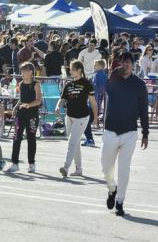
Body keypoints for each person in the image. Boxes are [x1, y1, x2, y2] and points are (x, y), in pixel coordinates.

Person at [102, 52, 149, 217]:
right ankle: (111, 188)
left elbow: (143, 110)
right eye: (123, 62)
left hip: (129, 132)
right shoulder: (114, 78)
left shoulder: (139, 84)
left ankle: (120, 201)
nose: (126, 64)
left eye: (128, 62)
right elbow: (106, 89)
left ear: (134, 64)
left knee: (124, 169)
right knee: (106, 168)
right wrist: (113, 73)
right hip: (110, 130)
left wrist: (145, 132)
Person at [58, 60, 98, 178]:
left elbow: (93, 102)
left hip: (82, 117)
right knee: (75, 143)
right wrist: (57, 106)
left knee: (72, 142)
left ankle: (66, 167)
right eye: (70, 69)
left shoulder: (86, 83)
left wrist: (95, 117)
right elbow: (63, 98)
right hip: (69, 116)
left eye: (72, 69)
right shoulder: (68, 84)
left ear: (79, 70)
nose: (70, 71)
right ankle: (78, 169)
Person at [8, 63, 43, 173]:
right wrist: (15, 107)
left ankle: (31, 164)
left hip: (32, 115)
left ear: (30, 72)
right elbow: (21, 99)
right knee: (16, 137)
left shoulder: (36, 84)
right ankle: (14, 163)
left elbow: (39, 100)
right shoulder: (21, 84)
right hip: (21, 113)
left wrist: (29, 105)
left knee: (31, 138)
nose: (22, 73)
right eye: (21, 71)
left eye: (24, 71)